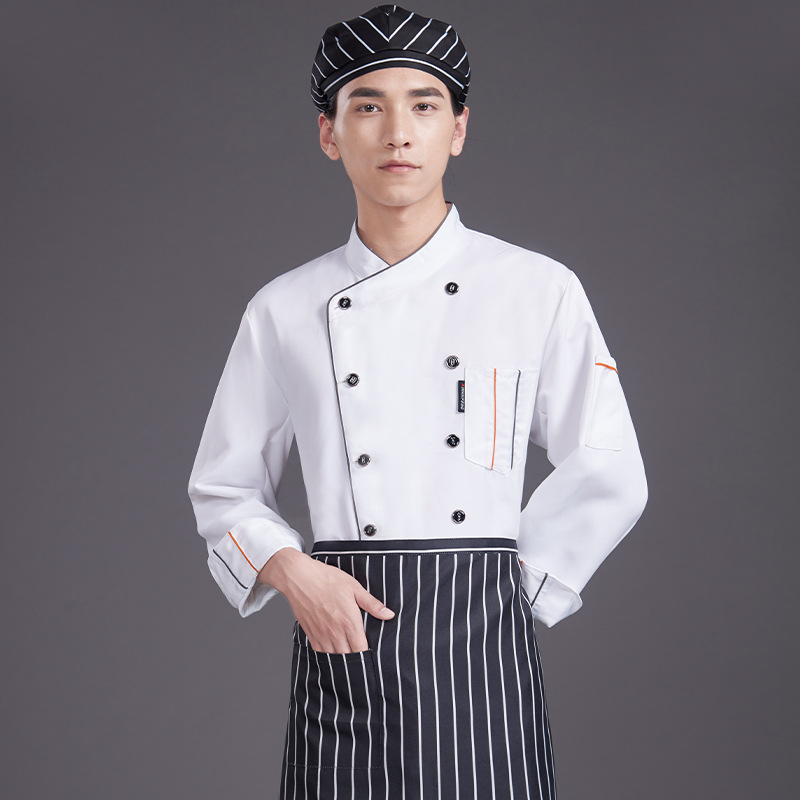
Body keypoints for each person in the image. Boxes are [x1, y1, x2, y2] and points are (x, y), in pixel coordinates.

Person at [188, 5, 648, 799]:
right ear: (330, 134)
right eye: (368, 105)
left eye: (424, 105)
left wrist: (512, 593)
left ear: (458, 129)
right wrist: (296, 574)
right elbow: (222, 486)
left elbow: (608, 464)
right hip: (344, 638)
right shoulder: (283, 308)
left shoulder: (536, 289)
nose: (398, 132)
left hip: (483, 640)